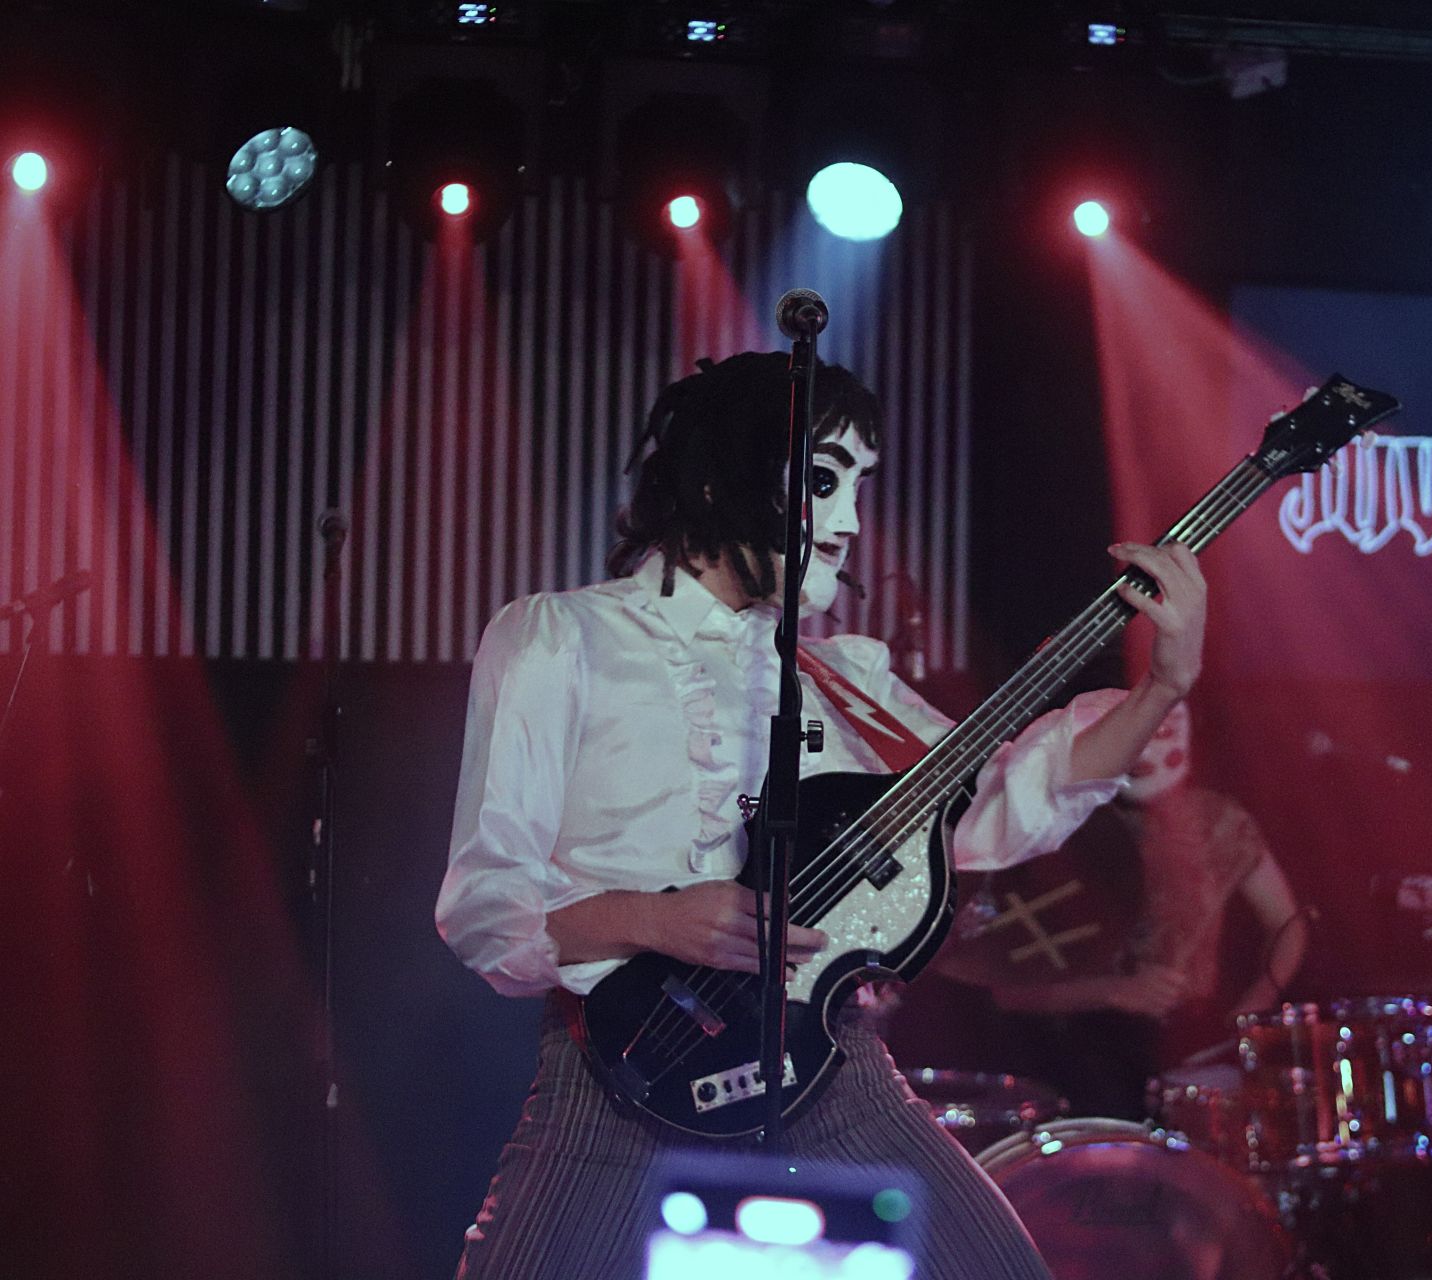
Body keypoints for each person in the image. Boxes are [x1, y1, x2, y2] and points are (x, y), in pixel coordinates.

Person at [434, 351, 1209, 1280]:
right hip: (622, 1065)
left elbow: (1003, 798)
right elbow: (486, 900)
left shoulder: (841, 679)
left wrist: (1163, 685)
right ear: (719, 478)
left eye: (859, 487)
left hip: (830, 1067)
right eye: (823, 482)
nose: (846, 522)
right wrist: (654, 918)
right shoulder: (561, 638)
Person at [931, 697, 1308, 1118]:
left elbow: (1287, 923)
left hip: (1193, 1047)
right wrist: (1112, 992)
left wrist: (1255, 1005)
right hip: (1074, 1058)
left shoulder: (1221, 821)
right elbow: (1002, 983)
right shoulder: (1059, 827)